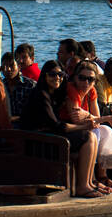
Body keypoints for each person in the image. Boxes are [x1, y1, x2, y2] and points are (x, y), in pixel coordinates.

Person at [18, 60, 100, 198]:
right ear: (44, 76)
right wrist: (84, 126)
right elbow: (57, 126)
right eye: (52, 74)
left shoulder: (54, 94)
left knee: (90, 136)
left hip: (49, 136)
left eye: (60, 75)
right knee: (88, 136)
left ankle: (89, 182)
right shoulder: (41, 95)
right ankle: (82, 186)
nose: (57, 78)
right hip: (37, 140)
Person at [64, 60, 112, 190]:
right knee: (96, 132)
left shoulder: (91, 91)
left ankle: (102, 175)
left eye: (90, 79)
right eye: (82, 78)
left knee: (104, 129)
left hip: (84, 127)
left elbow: (97, 118)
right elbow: (76, 118)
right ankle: (91, 179)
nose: (86, 83)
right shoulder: (71, 90)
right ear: (75, 78)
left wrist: (87, 115)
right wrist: (105, 118)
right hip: (69, 128)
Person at [0, 51, 36, 118]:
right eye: (4, 66)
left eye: (11, 65)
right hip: (5, 124)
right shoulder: (0, 85)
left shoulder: (30, 85)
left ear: (19, 66)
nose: (8, 69)